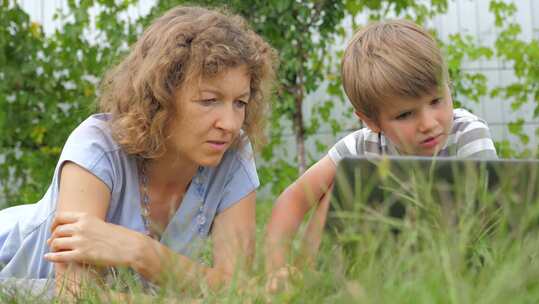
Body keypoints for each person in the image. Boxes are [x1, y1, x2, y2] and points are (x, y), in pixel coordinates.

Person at [0, 5, 276, 298]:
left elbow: (237, 292)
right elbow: (78, 296)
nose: (231, 124)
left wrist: (141, 251)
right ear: (161, 97)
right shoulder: (97, 148)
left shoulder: (232, 155)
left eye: (240, 103)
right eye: (209, 100)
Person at [264, 19, 497, 287]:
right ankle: (309, 277)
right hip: (374, 265)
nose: (429, 123)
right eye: (405, 114)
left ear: (448, 85)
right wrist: (275, 270)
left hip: (454, 259)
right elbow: (292, 200)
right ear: (371, 121)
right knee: (333, 185)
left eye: (436, 101)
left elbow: (490, 216)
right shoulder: (362, 146)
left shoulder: (468, 133)